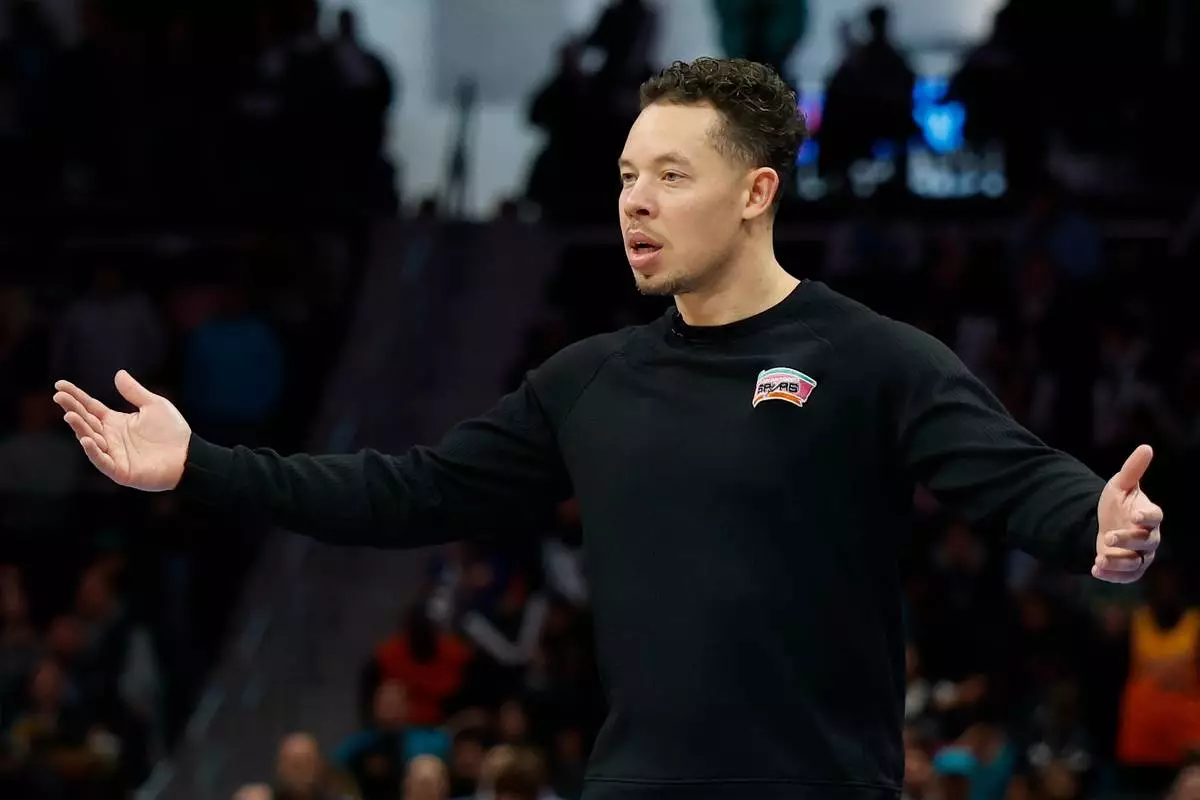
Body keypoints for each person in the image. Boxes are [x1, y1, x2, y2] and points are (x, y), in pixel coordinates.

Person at [51, 58, 1163, 800]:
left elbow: (1011, 475)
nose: (635, 200)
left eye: (671, 176)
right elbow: (405, 490)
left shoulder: (870, 357)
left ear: (755, 192)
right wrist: (202, 462)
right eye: (628, 175)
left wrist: (1094, 523)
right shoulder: (588, 382)